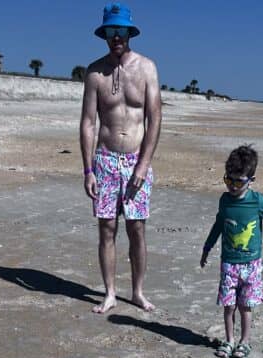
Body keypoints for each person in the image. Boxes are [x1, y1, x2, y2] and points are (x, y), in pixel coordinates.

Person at [80, 4, 161, 313]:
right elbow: (88, 123)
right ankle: (110, 292)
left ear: (130, 33)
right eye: (111, 31)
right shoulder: (94, 73)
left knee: (137, 228)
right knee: (107, 228)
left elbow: (155, 119)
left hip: (135, 162)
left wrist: (142, 165)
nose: (116, 37)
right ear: (104, 35)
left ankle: (138, 291)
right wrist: (88, 169)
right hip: (104, 161)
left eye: (121, 31)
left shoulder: (147, 68)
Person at [200, 145, 263, 358]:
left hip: (251, 265)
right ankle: (228, 340)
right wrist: (207, 247)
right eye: (228, 180)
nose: (233, 186)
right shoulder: (225, 200)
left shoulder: (257, 201)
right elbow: (218, 225)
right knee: (229, 306)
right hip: (229, 263)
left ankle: (244, 342)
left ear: (251, 180)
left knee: (245, 307)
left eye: (238, 182)